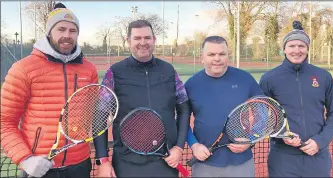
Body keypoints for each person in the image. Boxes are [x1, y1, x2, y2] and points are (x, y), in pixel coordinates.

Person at [0, 3, 97, 178]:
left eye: (72, 30)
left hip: (81, 166)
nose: (67, 35)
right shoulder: (23, 69)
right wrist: (25, 159)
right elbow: (4, 122)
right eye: (61, 29)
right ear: (49, 32)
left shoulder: (89, 70)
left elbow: (90, 115)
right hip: (39, 167)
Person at [93, 19, 190, 177]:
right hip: (127, 163)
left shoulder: (169, 71)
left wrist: (179, 148)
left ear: (154, 40)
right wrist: (103, 160)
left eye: (147, 38)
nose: (143, 42)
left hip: (165, 160)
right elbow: (99, 116)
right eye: (137, 38)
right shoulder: (114, 73)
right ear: (128, 41)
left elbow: (184, 108)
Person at [259, 20, 333, 177]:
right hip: (283, 158)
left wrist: (320, 141)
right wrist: (283, 134)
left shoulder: (323, 76)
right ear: (284, 49)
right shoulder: (269, 79)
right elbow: (262, 116)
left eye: (301, 46)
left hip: (317, 156)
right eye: (291, 46)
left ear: (307, 49)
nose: (296, 50)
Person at [185, 36, 263, 177]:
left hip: (241, 163)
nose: (217, 58)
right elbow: (182, 121)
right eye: (211, 54)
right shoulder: (191, 85)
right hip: (205, 164)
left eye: (222, 54)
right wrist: (194, 145)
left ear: (228, 56)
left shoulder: (245, 79)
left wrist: (251, 139)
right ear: (202, 57)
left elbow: (263, 112)